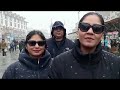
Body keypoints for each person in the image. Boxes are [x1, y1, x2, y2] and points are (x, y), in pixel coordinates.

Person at [48, 12, 120, 79]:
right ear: (78, 31)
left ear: (102, 34)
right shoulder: (59, 63)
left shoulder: (116, 64)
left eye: (97, 28)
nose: (90, 32)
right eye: (85, 27)